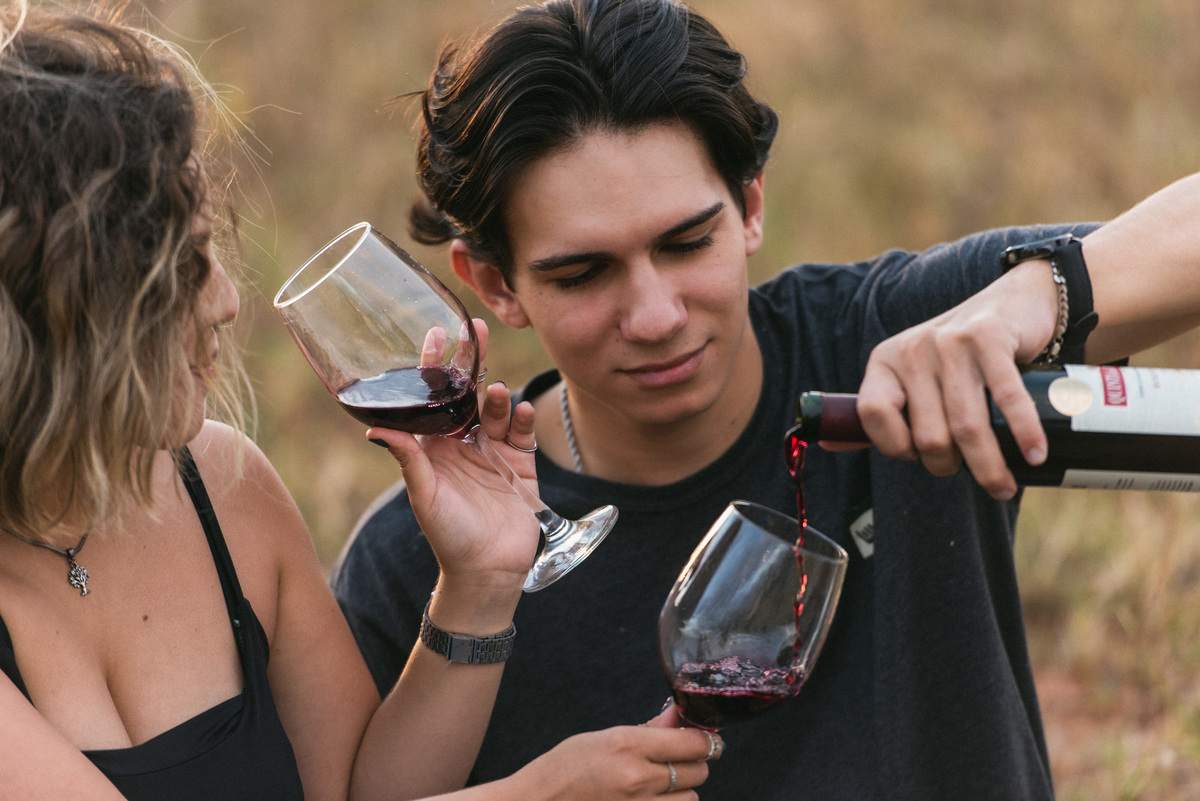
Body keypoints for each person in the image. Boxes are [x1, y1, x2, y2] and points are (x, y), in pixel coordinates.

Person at [330, 0, 1200, 798]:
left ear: (749, 206)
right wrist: (479, 607)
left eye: (686, 242)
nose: (656, 316)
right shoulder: (423, 554)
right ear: (496, 285)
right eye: (583, 273)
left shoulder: (885, 338)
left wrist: (1034, 296)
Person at [0, 3, 720, 799]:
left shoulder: (225, 487)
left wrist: (478, 586)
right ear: (53, 314)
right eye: (185, 266)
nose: (226, 301)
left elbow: (358, 790)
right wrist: (538, 793)